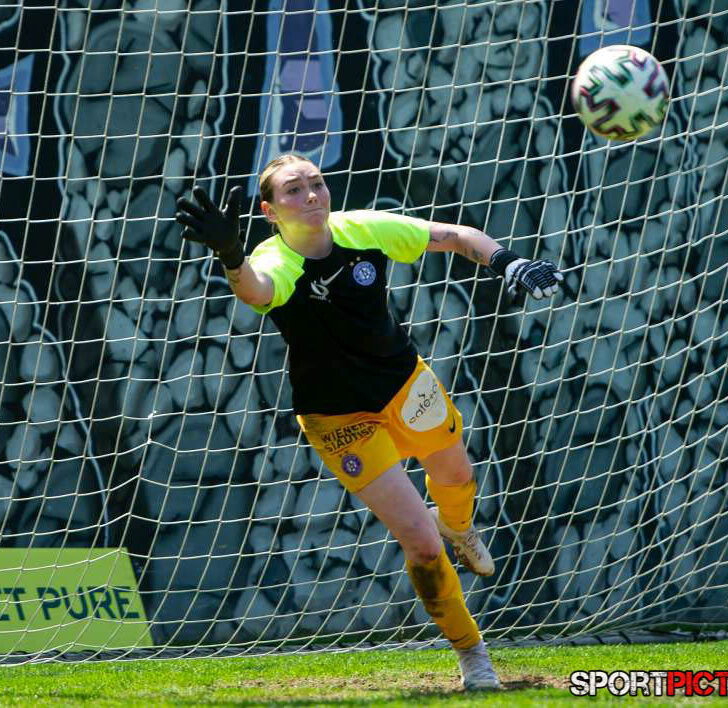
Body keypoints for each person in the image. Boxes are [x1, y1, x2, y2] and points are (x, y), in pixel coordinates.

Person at [175, 154, 563, 691]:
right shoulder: (273, 259)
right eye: (293, 190)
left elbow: (454, 235)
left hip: (405, 385)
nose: (311, 195)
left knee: (457, 478)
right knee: (421, 544)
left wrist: (507, 262)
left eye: (316, 183)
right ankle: (473, 656)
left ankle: (459, 526)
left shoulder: (363, 229)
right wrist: (229, 254)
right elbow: (256, 290)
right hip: (338, 416)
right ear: (269, 211)